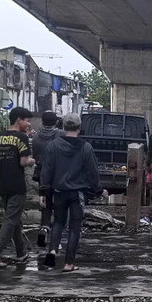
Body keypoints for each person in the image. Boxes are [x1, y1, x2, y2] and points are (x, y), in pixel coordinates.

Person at [39, 113, 108, 272]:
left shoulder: (53, 146)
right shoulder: (86, 147)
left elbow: (46, 170)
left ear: (63, 127)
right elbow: (92, 172)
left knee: (58, 222)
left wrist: (43, 191)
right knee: (74, 228)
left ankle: (52, 250)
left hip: (58, 192)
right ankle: (69, 263)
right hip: (77, 193)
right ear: (79, 127)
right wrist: (99, 190)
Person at [0, 107, 36, 267]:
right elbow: (23, 162)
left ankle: (21, 253)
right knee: (10, 220)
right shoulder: (21, 137)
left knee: (13, 219)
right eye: (27, 121)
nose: (28, 124)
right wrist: (32, 161)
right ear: (18, 119)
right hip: (17, 184)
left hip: (2, 183)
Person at [32, 110, 64, 248]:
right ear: (56, 122)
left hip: (41, 175)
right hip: (57, 175)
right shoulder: (60, 135)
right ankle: (56, 240)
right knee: (59, 207)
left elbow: (35, 155)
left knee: (45, 205)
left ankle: (44, 229)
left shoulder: (35, 137)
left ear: (42, 121)